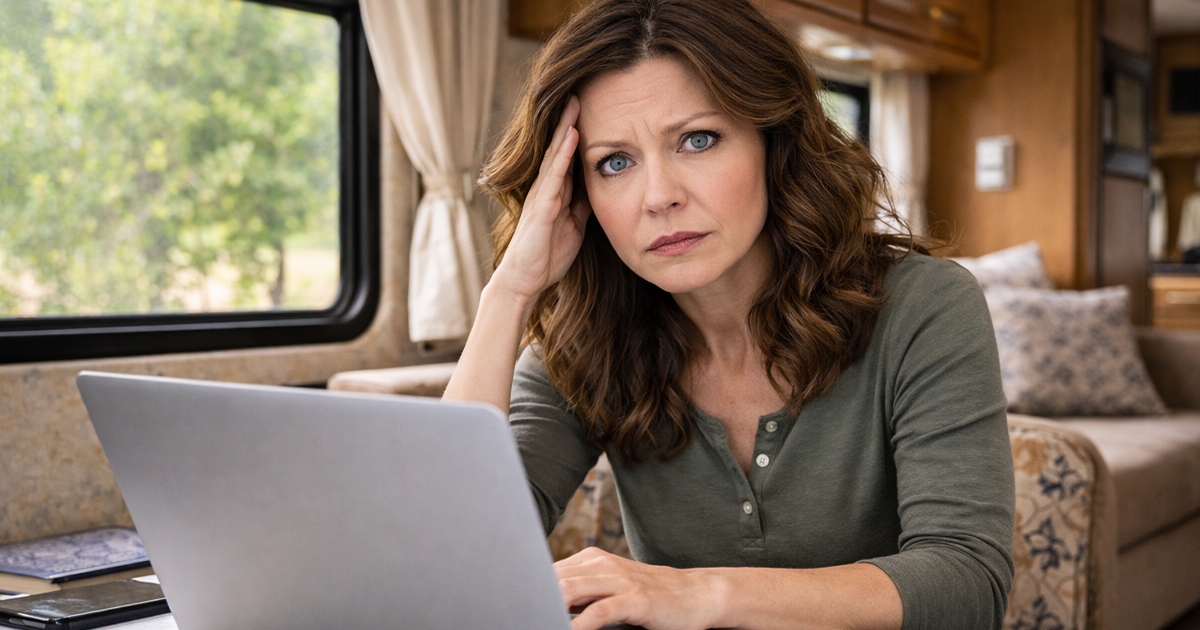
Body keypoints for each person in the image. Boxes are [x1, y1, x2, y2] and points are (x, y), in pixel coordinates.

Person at [443, 0, 1015, 628]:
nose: (659, 196)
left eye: (697, 140)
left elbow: (967, 581)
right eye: (615, 162)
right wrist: (509, 291)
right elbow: (450, 548)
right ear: (581, 195)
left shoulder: (925, 306)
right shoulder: (585, 341)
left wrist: (696, 594)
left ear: (775, 143)